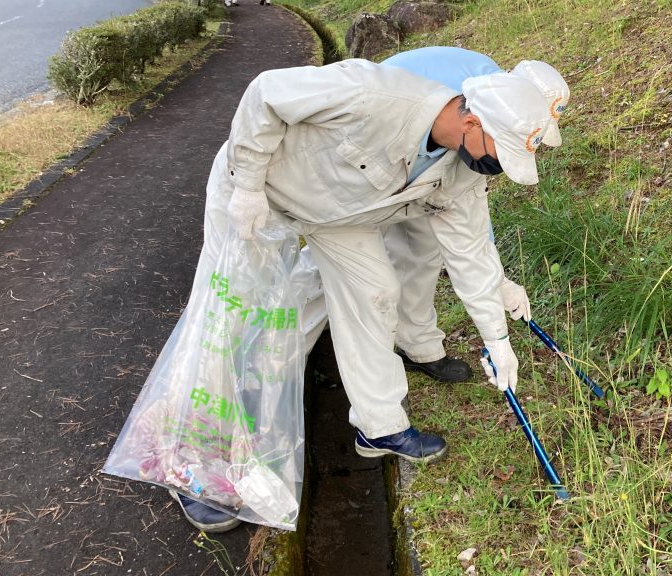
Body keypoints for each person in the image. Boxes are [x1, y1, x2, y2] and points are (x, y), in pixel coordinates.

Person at [170, 58, 557, 532]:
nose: (497, 168)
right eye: (500, 154)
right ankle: (198, 459)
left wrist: (497, 341)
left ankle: (379, 427)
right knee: (231, 312)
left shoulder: (464, 174)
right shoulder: (376, 94)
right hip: (259, 190)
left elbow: (472, 256)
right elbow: (266, 91)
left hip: (335, 216)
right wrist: (247, 185)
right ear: (472, 122)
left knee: (376, 293)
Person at [380, 47, 570, 384]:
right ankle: (290, 341)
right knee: (355, 268)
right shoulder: (475, 99)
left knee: (422, 249)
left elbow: (468, 207)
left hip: (420, 167)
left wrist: (497, 278)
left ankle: (418, 346)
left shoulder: (498, 100)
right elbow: (464, 209)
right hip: (383, 155)